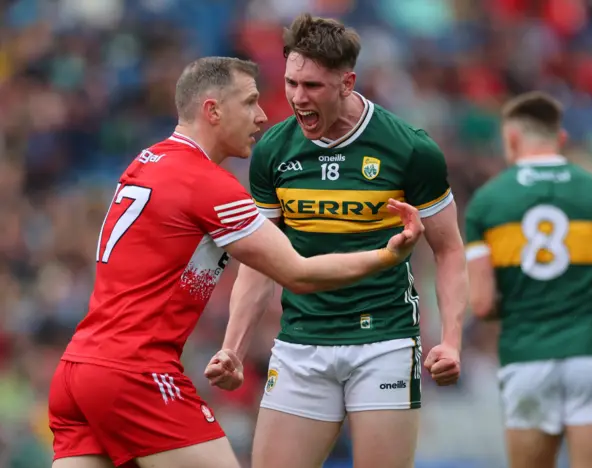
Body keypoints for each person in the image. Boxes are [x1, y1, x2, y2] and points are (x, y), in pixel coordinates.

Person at [47, 56, 426, 468]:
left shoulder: (147, 161)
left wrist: (232, 346)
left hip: (77, 373)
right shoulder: (206, 183)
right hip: (135, 374)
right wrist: (389, 254)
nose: (262, 117)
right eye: (249, 103)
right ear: (212, 110)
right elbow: (297, 273)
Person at [205, 14, 468, 468]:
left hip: (383, 341)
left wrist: (452, 340)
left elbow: (448, 249)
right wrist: (233, 346)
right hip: (302, 342)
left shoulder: (410, 149)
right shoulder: (273, 151)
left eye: (312, 87)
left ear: (347, 83)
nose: (297, 98)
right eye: (291, 83)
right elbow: (260, 258)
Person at [464, 91, 592, 468]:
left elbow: (480, 303)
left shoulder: (487, 202)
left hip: (526, 357)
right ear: (560, 140)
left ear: (511, 139)